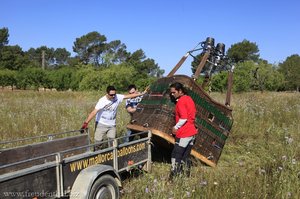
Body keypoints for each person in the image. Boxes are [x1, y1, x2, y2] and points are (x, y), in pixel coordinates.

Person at [81, 85, 145, 148]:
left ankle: (111, 156)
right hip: (101, 123)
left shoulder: (117, 97)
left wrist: (141, 94)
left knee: (112, 143)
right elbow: (94, 112)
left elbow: (129, 96)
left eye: (114, 94)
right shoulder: (102, 100)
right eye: (111, 95)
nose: (113, 96)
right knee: (98, 142)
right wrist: (86, 123)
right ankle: (97, 155)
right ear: (107, 94)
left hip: (112, 124)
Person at [169, 82, 198, 179]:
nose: (172, 94)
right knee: (185, 156)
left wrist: (175, 127)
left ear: (180, 91)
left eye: (174, 92)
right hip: (192, 133)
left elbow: (184, 118)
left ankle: (174, 178)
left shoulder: (181, 101)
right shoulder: (189, 99)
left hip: (184, 133)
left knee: (176, 156)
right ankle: (186, 176)